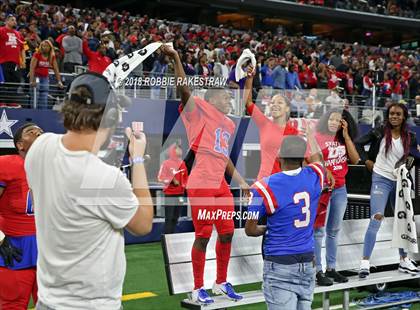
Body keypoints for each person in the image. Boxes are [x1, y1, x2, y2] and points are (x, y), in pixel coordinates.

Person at [24, 72, 154, 309]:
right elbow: (144, 224)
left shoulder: (40, 147)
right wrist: (137, 159)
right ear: (110, 119)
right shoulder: (103, 178)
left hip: (48, 301)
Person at [161, 45, 249, 305]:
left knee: (228, 232)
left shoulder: (229, 123)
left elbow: (223, 160)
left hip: (220, 183)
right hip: (200, 181)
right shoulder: (198, 109)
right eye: (225, 98)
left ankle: (221, 282)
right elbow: (183, 89)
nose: (229, 100)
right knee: (203, 235)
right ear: (211, 99)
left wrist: (241, 181)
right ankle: (197, 287)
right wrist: (177, 57)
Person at [245, 135, 325, 310]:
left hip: (280, 263)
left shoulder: (263, 187)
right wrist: (310, 136)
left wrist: (266, 228)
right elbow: (319, 160)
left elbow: (250, 230)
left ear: (279, 155)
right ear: (304, 157)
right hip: (307, 261)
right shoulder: (315, 175)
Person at [356, 102, 419, 278]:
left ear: (404, 116)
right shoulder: (379, 131)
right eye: (391, 113)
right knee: (377, 217)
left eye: (398, 114)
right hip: (380, 179)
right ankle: (364, 262)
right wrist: (366, 162)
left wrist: (409, 160)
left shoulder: (410, 136)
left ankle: (404, 259)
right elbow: (358, 143)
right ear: (388, 115)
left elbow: (414, 156)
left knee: (402, 219)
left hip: (400, 182)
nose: (394, 116)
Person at [313, 109, 360, 286]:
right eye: (331, 119)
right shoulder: (317, 136)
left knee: (333, 231)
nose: (334, 122)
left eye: (338, 120)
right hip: (322, 190)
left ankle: (331, 268)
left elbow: (355, 160)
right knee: (318, 232)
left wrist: (346, 136)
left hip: (340, 190)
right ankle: (317, 270)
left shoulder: (343, 139)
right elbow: (312, 161)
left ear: (344, 123)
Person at [0, 123, 43, 310]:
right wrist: (0, 239)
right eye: (30, 131)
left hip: (49, 247)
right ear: (20, 145)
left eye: (40, 131)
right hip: (15, 246)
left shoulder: (56, 168)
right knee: (13, 305)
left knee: (56, 304)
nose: (37, 132)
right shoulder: (7, 164)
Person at [158, 143, 188, 234]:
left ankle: (172, 237)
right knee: (169, 218)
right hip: (170, 195)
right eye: (178, 149)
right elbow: (160, 178)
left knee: (175, 218)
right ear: (173, 150)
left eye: (181, 149)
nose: (180, 151)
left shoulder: (182, 164)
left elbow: (186, 178)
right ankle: (166, 239)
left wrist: (185, 186)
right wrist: (171, 181)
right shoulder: (166, 163)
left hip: (180, 195)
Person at [29, 40, 63, 109]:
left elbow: (56, 69)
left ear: (50, 47)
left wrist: (59, 81)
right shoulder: (37, 54)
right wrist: (31, 81)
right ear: (41, 47)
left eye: (47, 46)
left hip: (45, 78)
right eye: (43, 46)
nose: (45, 47)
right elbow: (32, 68)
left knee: (44, 96)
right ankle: (33, 113)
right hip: (36, 77)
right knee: (35, 96)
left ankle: (43, 113)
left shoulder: (52, 56)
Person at [0, 15, 25, 106]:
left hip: (15, 63)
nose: (15, 22)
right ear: (6, 21)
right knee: (3, 82)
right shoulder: (1, 30)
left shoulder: (18, 34)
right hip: (3, 61)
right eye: (12, 20)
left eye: (15, 20)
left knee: (15, 81)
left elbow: (22, 48)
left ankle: (11, 101)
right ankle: (2, 102)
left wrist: (23, 61)